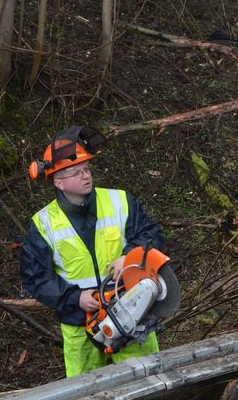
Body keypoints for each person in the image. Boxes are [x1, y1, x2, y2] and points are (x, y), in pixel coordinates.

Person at [20, 126, 166, 377]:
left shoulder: (119, 202)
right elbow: (36, 277)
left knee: (147, 379)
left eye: (86, 169)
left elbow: (152, 234)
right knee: (85, 394)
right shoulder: (43, 224)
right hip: (80, 321)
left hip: (132, 308)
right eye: (76, 172)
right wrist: (75, 298)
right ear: (59, 182)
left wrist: (129, 257)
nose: (85, 176)